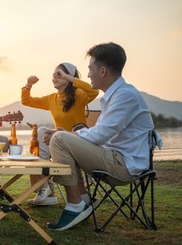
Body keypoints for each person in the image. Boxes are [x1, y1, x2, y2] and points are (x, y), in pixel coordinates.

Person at [47, 42, 154, 231]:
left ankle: (76, 205)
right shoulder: (116, 95)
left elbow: (101, 135)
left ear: (103, 71)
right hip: (115, 158)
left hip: (123, 166)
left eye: (90, 69)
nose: (88, 75)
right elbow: (100, 134)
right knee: (62, 138)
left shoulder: (125, 96)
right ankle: (84, 198)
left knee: (60, 139)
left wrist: (67, 135)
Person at [21, 63, 99, 206]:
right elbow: (26, 101)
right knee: (40, 132)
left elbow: (94, 92)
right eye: (53, 75)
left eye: (59, 74)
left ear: (68, 76)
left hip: (79, 142)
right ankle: (46, 190)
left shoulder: (79, 95)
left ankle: (48, 191)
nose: (54, 78)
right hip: (58, 143)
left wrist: (71, 78)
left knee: (44, 135)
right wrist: (28, 85)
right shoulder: (52, 98)